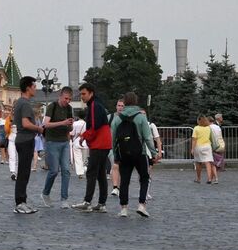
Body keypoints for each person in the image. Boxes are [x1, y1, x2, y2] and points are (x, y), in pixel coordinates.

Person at [108, 91, 156, 217]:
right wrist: (154, 152)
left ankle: (124, 208)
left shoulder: (117, 118)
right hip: (140, 152)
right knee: (144, 178)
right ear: (136, 101)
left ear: (124, 102)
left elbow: (113, 139)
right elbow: (148, 137)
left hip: (123, 153)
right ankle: (141, 205)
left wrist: (115, 153)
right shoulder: (141, 117)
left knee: (124, 180)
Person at [73, 83, 110, 211]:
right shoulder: (97, 104)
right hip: (104, 143)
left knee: (91, 172)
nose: (82, 97)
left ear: (91, 93)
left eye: (84, 94)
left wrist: (84, 136)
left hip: (99, 144)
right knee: (100, 174)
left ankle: (87, 202)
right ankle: (101, 203)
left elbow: (94, 127)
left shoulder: (94, 106)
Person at [39, 86, 76, 206]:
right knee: (54, 171)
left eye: (69, 99)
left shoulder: (69, 109)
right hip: (51, 142)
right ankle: (45, 193)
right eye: (66, 98)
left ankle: (64, 199)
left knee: (66, 170)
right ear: (60, 96)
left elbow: (70, 128)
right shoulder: (52, 106)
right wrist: (63, 123)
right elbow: (46, 124)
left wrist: (70, 125)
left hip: (64, 142)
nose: (67, 101)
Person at [10, 75, 41, 214]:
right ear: (28, 88)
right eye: (34, 86)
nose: (36, 89)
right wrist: (39, 128)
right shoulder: (25, 103)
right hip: (25, 140)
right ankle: (20, 202)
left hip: (22, 140)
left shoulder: (20, 102)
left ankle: (23, 201)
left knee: (24, 172)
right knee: (23, 173)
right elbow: (26, 123)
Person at [192, 115, 216, 184]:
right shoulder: (208, 128)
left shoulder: (196, 128)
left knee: (198, 162)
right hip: (207, 146)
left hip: (198, 146)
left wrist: (192, 148)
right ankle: (209, 179)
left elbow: (194, 139)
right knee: (208, 162)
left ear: (199, 121)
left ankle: (198, 178)